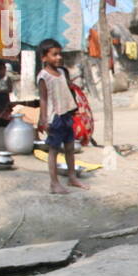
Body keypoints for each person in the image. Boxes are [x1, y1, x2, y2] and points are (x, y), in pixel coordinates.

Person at [36, 40, 88, 194]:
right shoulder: (43, 76)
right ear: (44, 58)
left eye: (60, 54)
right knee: (54, 150)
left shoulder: (63, 72)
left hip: (67, 114)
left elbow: (68, 90)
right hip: (55, 117)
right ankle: (54, 183)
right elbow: (43, 99)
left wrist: (75, 109)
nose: (59, 57)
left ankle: (72, 177)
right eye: (54, 54)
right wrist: (43, 119)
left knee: (70, 147)